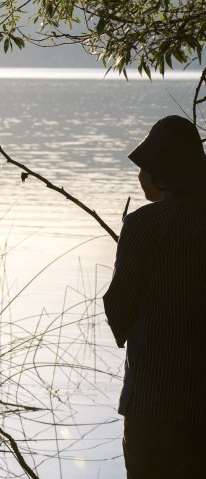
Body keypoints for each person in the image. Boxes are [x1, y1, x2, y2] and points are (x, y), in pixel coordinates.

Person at [103, 115, 206, 478]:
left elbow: (119, 309)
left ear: (160, 174)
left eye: (143, 167)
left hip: (154, 402)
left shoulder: (144, 224)